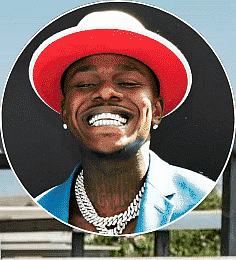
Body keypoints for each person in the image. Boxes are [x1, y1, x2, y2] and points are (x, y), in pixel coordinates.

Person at [29, 9, 214, 235]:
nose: (106, 92)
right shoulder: (44, 208)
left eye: (128, 82)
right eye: (85, 83)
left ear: (156, 110)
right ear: (65, 112)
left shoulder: (200, 197)